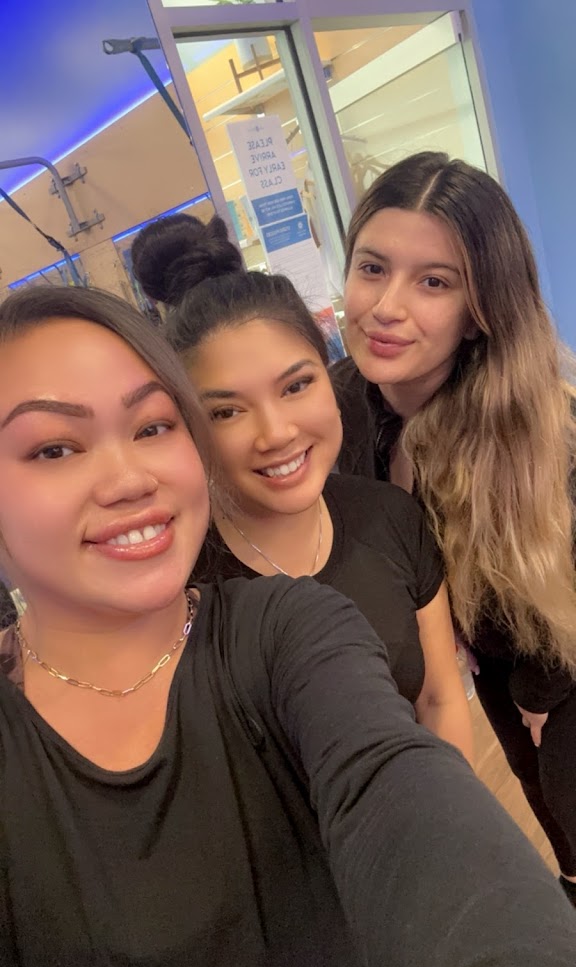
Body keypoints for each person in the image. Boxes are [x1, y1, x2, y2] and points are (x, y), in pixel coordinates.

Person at [0, 287, 576, 967]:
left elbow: (398, 768)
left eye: (151, 427)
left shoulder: (290, 622)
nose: (129, 478)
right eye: (53, 448)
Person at [131, 213, 473, 760]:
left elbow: (438, 698)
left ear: (330, 371)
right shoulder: (178, 579)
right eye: (226, 411)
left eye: (296, 385)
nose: (276, 434)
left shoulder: (390, 517)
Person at [332, 149, 576, 904]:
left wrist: (543, 685)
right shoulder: (334, 409)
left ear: (480, 312)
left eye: (433, 282)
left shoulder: (542, 426)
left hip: (554, 654)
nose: (386, 306)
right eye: (372, 268)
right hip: (475, 661)